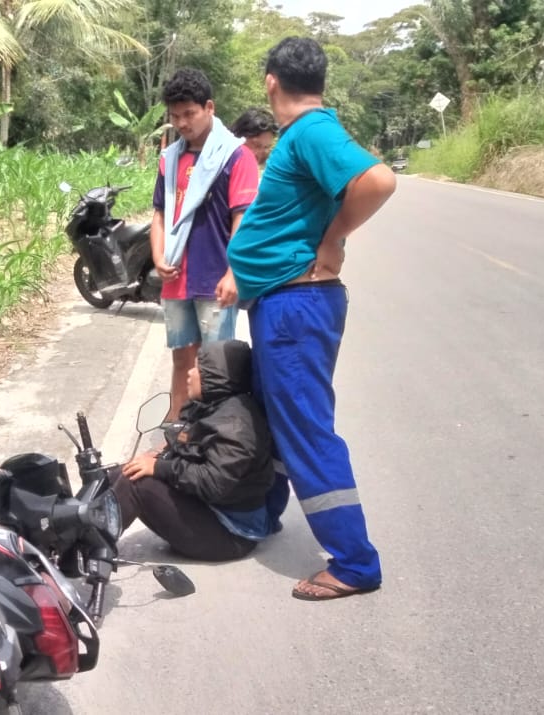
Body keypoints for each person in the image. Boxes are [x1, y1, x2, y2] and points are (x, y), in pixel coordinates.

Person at [224, 37, 398, 602]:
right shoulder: (303, 134)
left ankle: (354, 563)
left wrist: (333, 238)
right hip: (282, 303)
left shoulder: (311, 130)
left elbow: (379, 180)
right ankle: (264, 513)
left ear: (271, 81)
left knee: (305, 428)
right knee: (279, 419)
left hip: (296, 306)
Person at [152, 68, 262, 421]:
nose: (182, 123)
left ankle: (208, 431)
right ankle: (176, 424)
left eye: (189, 114)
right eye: (175, 116)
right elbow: (160, 213)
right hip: (176, 276)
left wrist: (233, 273)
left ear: (209, 107)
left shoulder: (235, 156)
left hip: (215, 276)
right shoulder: (170, 159)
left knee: (212, 364)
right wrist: (157, 256)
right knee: (181, 357)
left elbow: (242, 219)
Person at [111, 340, 278, 561]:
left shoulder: (236, 426)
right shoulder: (208, 404)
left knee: (135, 483)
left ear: (215, 377)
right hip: (210, 509)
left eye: (198, 369)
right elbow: (185, 440)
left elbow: (213, 483)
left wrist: (160, 467)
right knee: (119, 472)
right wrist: (159, 455)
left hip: (232, 532)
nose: (190, 373)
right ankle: (70, 529)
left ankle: (83, 551)